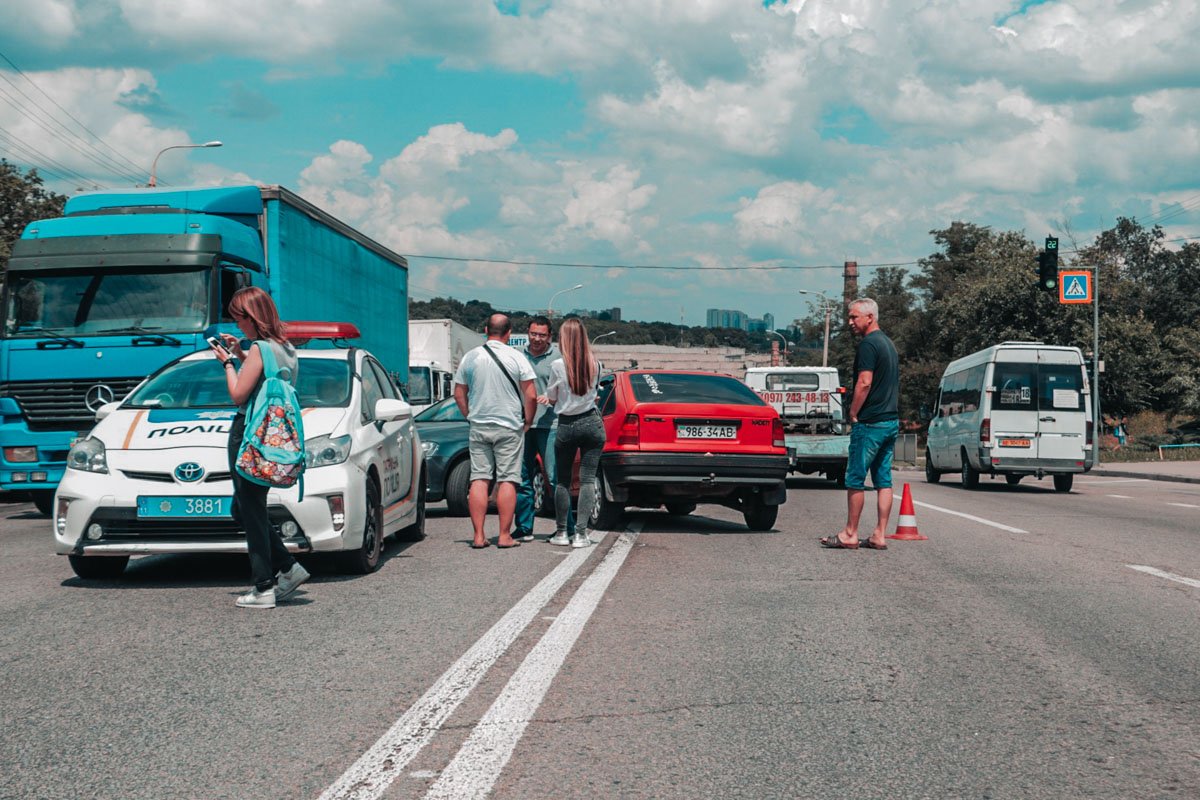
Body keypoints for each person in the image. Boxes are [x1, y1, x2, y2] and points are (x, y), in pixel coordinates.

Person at [210, 287, 310, 608]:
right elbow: (267, 374)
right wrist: (240, 353)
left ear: (253, 317)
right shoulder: (283, 348)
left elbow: (239, 394)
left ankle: (263, 586)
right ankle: (288, 568)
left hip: (248, 433)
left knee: (249, 510)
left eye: (240, 318)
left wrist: (227, 363)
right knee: (243, 508)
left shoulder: (259, 348)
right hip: (269, 437)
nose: (238, 325)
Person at [821, 298, 899, 551]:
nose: (850, 322)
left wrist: (853, 412)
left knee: (855, 478)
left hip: (870, 422)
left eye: (854, 317)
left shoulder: (868, 344)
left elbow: (865, 382)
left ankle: (850, 533)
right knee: (883, 481)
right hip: (890, 420)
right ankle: (879, 534)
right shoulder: (888, 344)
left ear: (870, 317)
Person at [453, 313, 536, 549]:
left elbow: (459, 393)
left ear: (485, 330)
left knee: (479, 478)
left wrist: (470, 415)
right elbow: (530, 394)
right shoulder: (516, 357)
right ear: (509, 333)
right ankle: (504, 535)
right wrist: (527, 421)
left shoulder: (471, 357)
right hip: (509, 426)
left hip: (479, 426)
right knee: (508, 479)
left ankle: (478, 536)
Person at [539, 318, 606, 548]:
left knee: (563, 482)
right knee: (587, 480)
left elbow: (553, 397)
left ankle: (561, 533)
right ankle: (581, 535)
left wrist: (548, 399)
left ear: (563, 339)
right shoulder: (596, 364)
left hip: (567, 425)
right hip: (592, 424)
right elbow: (593, 394)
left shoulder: (557, 366)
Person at [514, 316, 574, 542]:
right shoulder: (518, 357)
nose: (537, 339)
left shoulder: (559, 358)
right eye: (533, 334)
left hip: (550, 425)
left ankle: (566, 527)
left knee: (554, 477)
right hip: (523, 425)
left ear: (550, 336)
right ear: (527, 333)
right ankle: (524, 527)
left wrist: (552, 400)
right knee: (522, 477)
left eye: (542, 335)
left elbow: (568, 393)